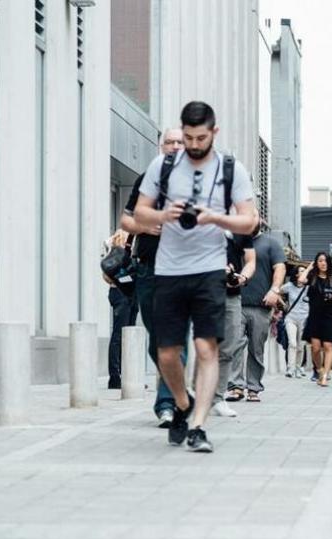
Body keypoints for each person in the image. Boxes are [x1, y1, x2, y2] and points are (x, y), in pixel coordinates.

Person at [133, 101, 259, 452]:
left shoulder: (232, 169)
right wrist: (163, 214)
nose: (192, 144)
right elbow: (139, 213)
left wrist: (214, 218)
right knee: (167, 353)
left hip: (209, 269)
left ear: (213, 132)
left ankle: (199, 426)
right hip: (169, 269)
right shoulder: (164, 164)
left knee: (206, 348)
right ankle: (182, 404)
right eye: (187, 137)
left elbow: (249, 221)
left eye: (200, 137)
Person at [121, 128, 186, 427]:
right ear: (162, 147)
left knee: (175, 338)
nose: (174, 146)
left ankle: (167, 404)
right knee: (157, 340)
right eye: (169, 142)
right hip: (148, 268)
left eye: (179, 142)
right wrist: (145, 228)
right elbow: (125, 220)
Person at [227, 225, 286, 402]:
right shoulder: (233, 241)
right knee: (235, 344)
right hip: (236, 302)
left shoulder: (271, 243)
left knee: (256, 348)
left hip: (261, 305)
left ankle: (253, 387)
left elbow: (280, 268)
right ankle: (236, 386)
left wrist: (275, 290)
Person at [212, 232, 256, 417]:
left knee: (228, 347)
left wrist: (242, 278)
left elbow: (250, 260)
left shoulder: (239, 228)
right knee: (203, 344)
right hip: (202, 291)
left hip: (231, 294)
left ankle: (217, 398)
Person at [103, 229, 139, 390]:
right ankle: (115, 377)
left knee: (130, 335)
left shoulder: (139, 239)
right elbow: (106, 272)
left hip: (133, 292)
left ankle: (129, 376)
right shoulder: (115, 240)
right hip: (119, 292)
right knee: (119, 334)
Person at [300, 252, 332, 386]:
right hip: (314, 315)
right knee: (316, 348)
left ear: (329, 263)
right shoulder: (312, 277)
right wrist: (309, 267)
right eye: (320, 261)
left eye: (325, 261)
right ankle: (319, 369)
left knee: (328, 345)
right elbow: (301, 280)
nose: (323, 263)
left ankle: (325, 376)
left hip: (329, 314)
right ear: (316, 263)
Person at [281, 266, 310, 378]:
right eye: (302, 271)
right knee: (292, 343)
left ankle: (298, 367)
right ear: (297, 274)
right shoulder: (289, 286)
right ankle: (290, 368)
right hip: (291, 318)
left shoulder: (309, 287)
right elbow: (277, 291)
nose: (304, 273)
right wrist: (283, 304)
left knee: (301, 345)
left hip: (304, 319)